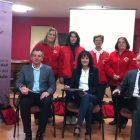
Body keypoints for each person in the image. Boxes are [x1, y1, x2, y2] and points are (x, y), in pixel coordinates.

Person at [15, 49, 56, 140]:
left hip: (43, 94)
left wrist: (48, 92)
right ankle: (28, 133)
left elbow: (53, 85)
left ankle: (40, 132)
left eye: (39, 56)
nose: (36, 58)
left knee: (47, 102)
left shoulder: (48, 69)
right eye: (34, 55)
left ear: (42, 58)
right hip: (29, 94)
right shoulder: (24, 69)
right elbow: (18, 83)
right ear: (31, 57)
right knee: (24, 103)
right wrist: (22, 87)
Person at [64, 51, 99, 140]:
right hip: (79, 96)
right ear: (80, 59)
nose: (84, 60)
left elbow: (96, 86)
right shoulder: (76, 71)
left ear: (90, 60)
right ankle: (88, 132)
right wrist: (68, 86)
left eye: (87, 58)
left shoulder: (94, 70)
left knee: (87, 97)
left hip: (91, 95)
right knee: (89, 106)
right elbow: (72, 84)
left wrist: (87, 92)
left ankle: (78, 124)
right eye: (82, 58)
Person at [105, 37, 137, 128]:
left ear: (126, 44)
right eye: (119, 42)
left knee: (123, 103)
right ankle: (116, 119)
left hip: (125, 84)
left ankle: (123, 121)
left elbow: (132, 68)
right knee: (115, 101)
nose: (121, 44)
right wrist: (113, 75)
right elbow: (107, 66)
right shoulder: (112, 54)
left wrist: (121, 76)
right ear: (117, 44)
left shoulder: (131, 54)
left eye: (123, 42)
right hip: (113, 82)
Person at [30, 27, 60, 124]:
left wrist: (60, 74)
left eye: (54, 35)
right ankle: (38, 116)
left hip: (53, 75)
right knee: (39, 93)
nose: (52, 36)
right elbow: (33, 57)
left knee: (49, 95)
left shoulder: (57, 47)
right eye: (50, 34)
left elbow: (59, 61)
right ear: (47, 35)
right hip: (40, 73)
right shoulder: (40, 44)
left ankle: (48, 115)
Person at [59, 31, 85, 124]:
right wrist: (60, 75)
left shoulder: (82, 49)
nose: (73, 38)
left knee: (77, 95)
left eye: (75, 37)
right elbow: (61, 62)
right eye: (71, 36)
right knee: (68, 96)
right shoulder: (63, 48)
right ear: (69, 38)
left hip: (78, 75)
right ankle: (67, 116)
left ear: (77, 38)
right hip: (67, 75)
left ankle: (74, 116)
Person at [113, 53, 140, 140]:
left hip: (137, 107)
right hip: (132, 101)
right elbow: (122, 86)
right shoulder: (130, 74)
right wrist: (118, 89)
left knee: (136, 114)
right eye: (138, 60)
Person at [90, 34, 109, 101]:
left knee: (100, 98)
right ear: (94, 42)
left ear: (102, 42)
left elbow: (107, 68)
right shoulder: (89, 53)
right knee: (92, 98)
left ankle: (100, 111)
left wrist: (108, 80)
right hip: (91, 80)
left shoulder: (107, 54)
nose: (98, 42)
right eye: (96, 40)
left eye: (99, 40)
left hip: (102, 80)